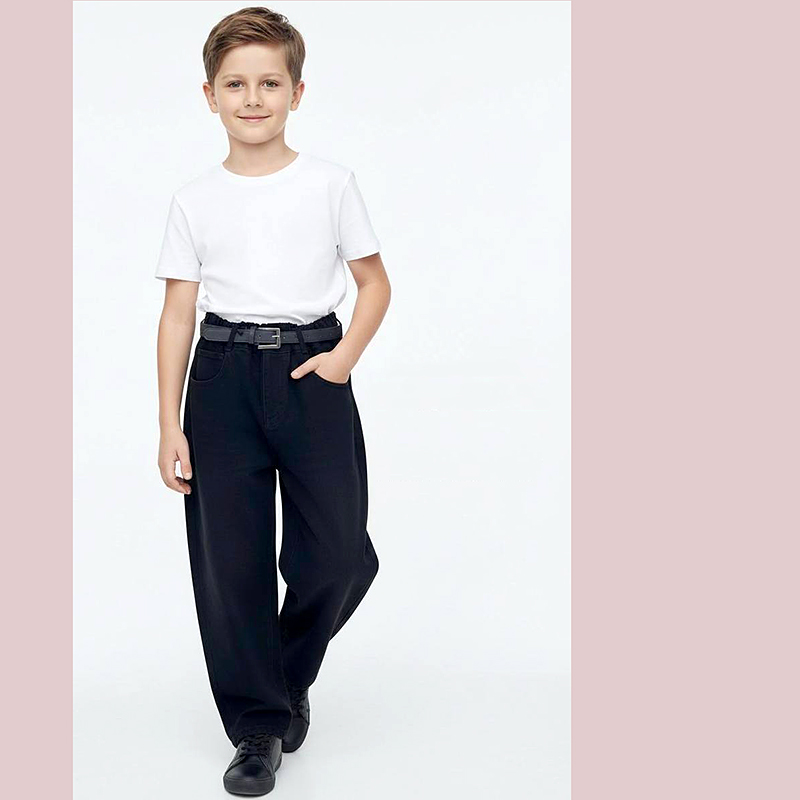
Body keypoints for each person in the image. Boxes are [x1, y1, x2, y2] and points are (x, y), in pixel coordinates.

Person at [154, 7, 390, 795]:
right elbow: (177, 314)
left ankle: (282, 673)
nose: (252, 98)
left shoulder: (330, 184)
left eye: (269, 83)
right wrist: (168, 423)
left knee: (340, 553)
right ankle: (258, 728)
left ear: (296, 92)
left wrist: (341, 361)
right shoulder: (194, 199)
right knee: (232, 561)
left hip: (311, 370)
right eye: (235, 84)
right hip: (220, 380)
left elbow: (374, 284)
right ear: (209, 95)